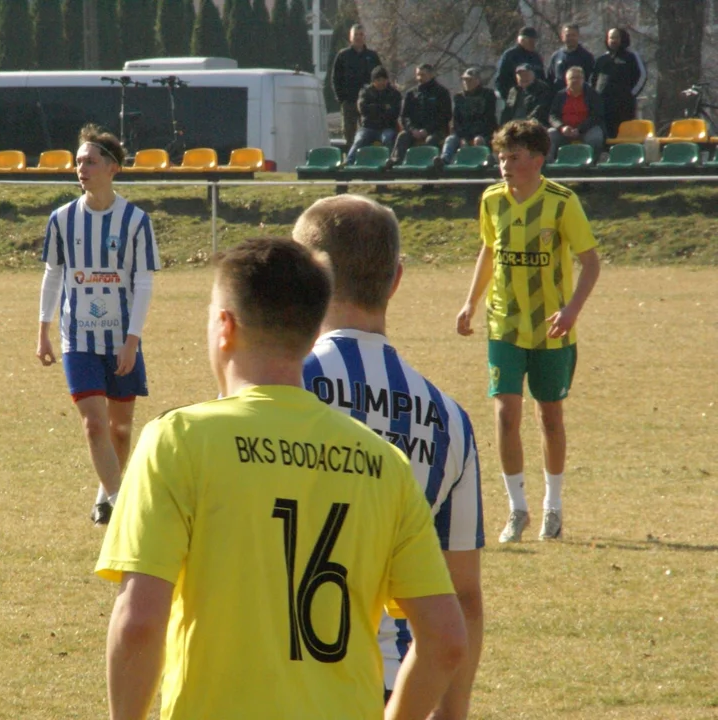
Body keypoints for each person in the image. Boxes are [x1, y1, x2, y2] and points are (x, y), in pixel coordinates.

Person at [97, 236, 466, 720]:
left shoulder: (178, 440)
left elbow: (139, 623)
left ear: (225, 327)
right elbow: (445, 640)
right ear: (312, 334)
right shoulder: (385, 463)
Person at [295, 195, 484, 718]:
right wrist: (452, 711)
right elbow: (463, 597)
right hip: (397, 683)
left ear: (306, 277)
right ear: (396, 278)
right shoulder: (450, 419)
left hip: (285, 675)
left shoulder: (278, 385)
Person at [456, 119, 601, 544]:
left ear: (537, 160)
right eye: (501, 156)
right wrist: (471, 302)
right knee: (505, 414)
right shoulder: (491, 201)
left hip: (552, 329)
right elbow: (489, 248)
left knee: (550, 417)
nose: (503, 164)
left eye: (513, 157)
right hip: (504, 323)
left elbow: (591, 262)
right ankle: (516, 509)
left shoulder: (561, 202)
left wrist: (572, 309)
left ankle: (552, 508)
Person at [37, 124, 160, 526]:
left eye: (90, 161)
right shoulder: (62, 219)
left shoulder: (137, 221)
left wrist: (132, 341)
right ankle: (121, 500)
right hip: (78, 339)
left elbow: (143, 282)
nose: (81, 169)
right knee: (94, 425)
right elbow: (54, 273)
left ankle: (104, 495)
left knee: (120, 429)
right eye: (78, 162)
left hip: (121, 340)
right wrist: (44, 329)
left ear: (112, 168)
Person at [331, 24, 383, 147]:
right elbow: (335, 78)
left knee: (368, 133)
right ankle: (350, 161)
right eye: (356, 35)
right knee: (349, 135)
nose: (358, 37)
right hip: (349, 102)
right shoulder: (343, 55)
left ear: (365, 37)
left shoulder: (372, 56)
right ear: (350, 37)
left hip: (369, 102)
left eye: (361, 34)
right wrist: (341, 98)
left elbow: (380, 77)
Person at [591, 27, 646, 140]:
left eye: (616, 37)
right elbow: (593, 80)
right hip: (604, 106)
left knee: (624, 136)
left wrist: (630, 94)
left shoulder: (631, 57)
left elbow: (642, 76)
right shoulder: (601, 59)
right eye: (611, 37)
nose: (613, 40)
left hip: (624, 106)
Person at [391, 63, 452, 165]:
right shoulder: (411, 94)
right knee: (402, 136)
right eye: (418, 75)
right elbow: (404, 116)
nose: (419, 78)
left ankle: (429, 166)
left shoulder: (441, 93)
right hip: (414, 130)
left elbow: (445, 116)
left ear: (431, 75)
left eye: (423, 75)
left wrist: (427, 130)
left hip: (435, 131)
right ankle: (395, 162)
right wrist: (412, 129)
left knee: (431, 140)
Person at [344, 65, 401, 164]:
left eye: (383, 79)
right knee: (359, 140)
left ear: (387, 80)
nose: (381, 82)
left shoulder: (394, 94)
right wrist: (383, 107)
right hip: (368, 127)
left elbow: (394, 113)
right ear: (373, 81)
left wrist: (374, 108)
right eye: (378, 80)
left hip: (387, 127)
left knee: (388, 139)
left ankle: (390, 162)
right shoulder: (365, 92)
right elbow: (363, 109)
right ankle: (348, 162)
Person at [547, 66, 605, 163]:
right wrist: (562, 127)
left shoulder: (592, 94)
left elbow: (597, 115)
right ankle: (549, 165)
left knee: (596, 135)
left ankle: (592, 164)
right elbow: (552, 116)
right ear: (566, 80)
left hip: (586, 130)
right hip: (565, 131)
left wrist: (580, 129)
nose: (575, 80)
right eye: (572, 78)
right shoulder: (560, 95)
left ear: (583, 79)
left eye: (578, 77)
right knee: (549, 134)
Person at [442, 67, 497, 165]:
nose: (466, 82)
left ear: (478, 80)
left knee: (479, 140)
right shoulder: (459, 97)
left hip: (483, 132)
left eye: (470, 80)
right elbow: (456, 121)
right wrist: (463, 137)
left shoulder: (488, 95)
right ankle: (444, 161)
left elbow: (488, 119)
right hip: (463, 133)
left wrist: (475, 135)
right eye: (464, 80)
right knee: (450, 139)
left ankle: (485, 163)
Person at [494, 26, 545, 102]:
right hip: (515, 98)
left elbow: (542, 78)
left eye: (535, 41)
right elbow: (500, 80)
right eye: (530, 41)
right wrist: (508, 98)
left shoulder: (536, 57)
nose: (533, 44)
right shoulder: (510, 55)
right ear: (521, 40)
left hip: (534, 99)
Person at [547, 23, 595, 93]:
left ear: (578, 36)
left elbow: (591, 80)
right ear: (562, 37)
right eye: (568, 35)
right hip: (559, 99)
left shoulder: (586, 57)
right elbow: (550, 79)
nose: (570, 38)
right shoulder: (556, 57)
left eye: (573, 35)